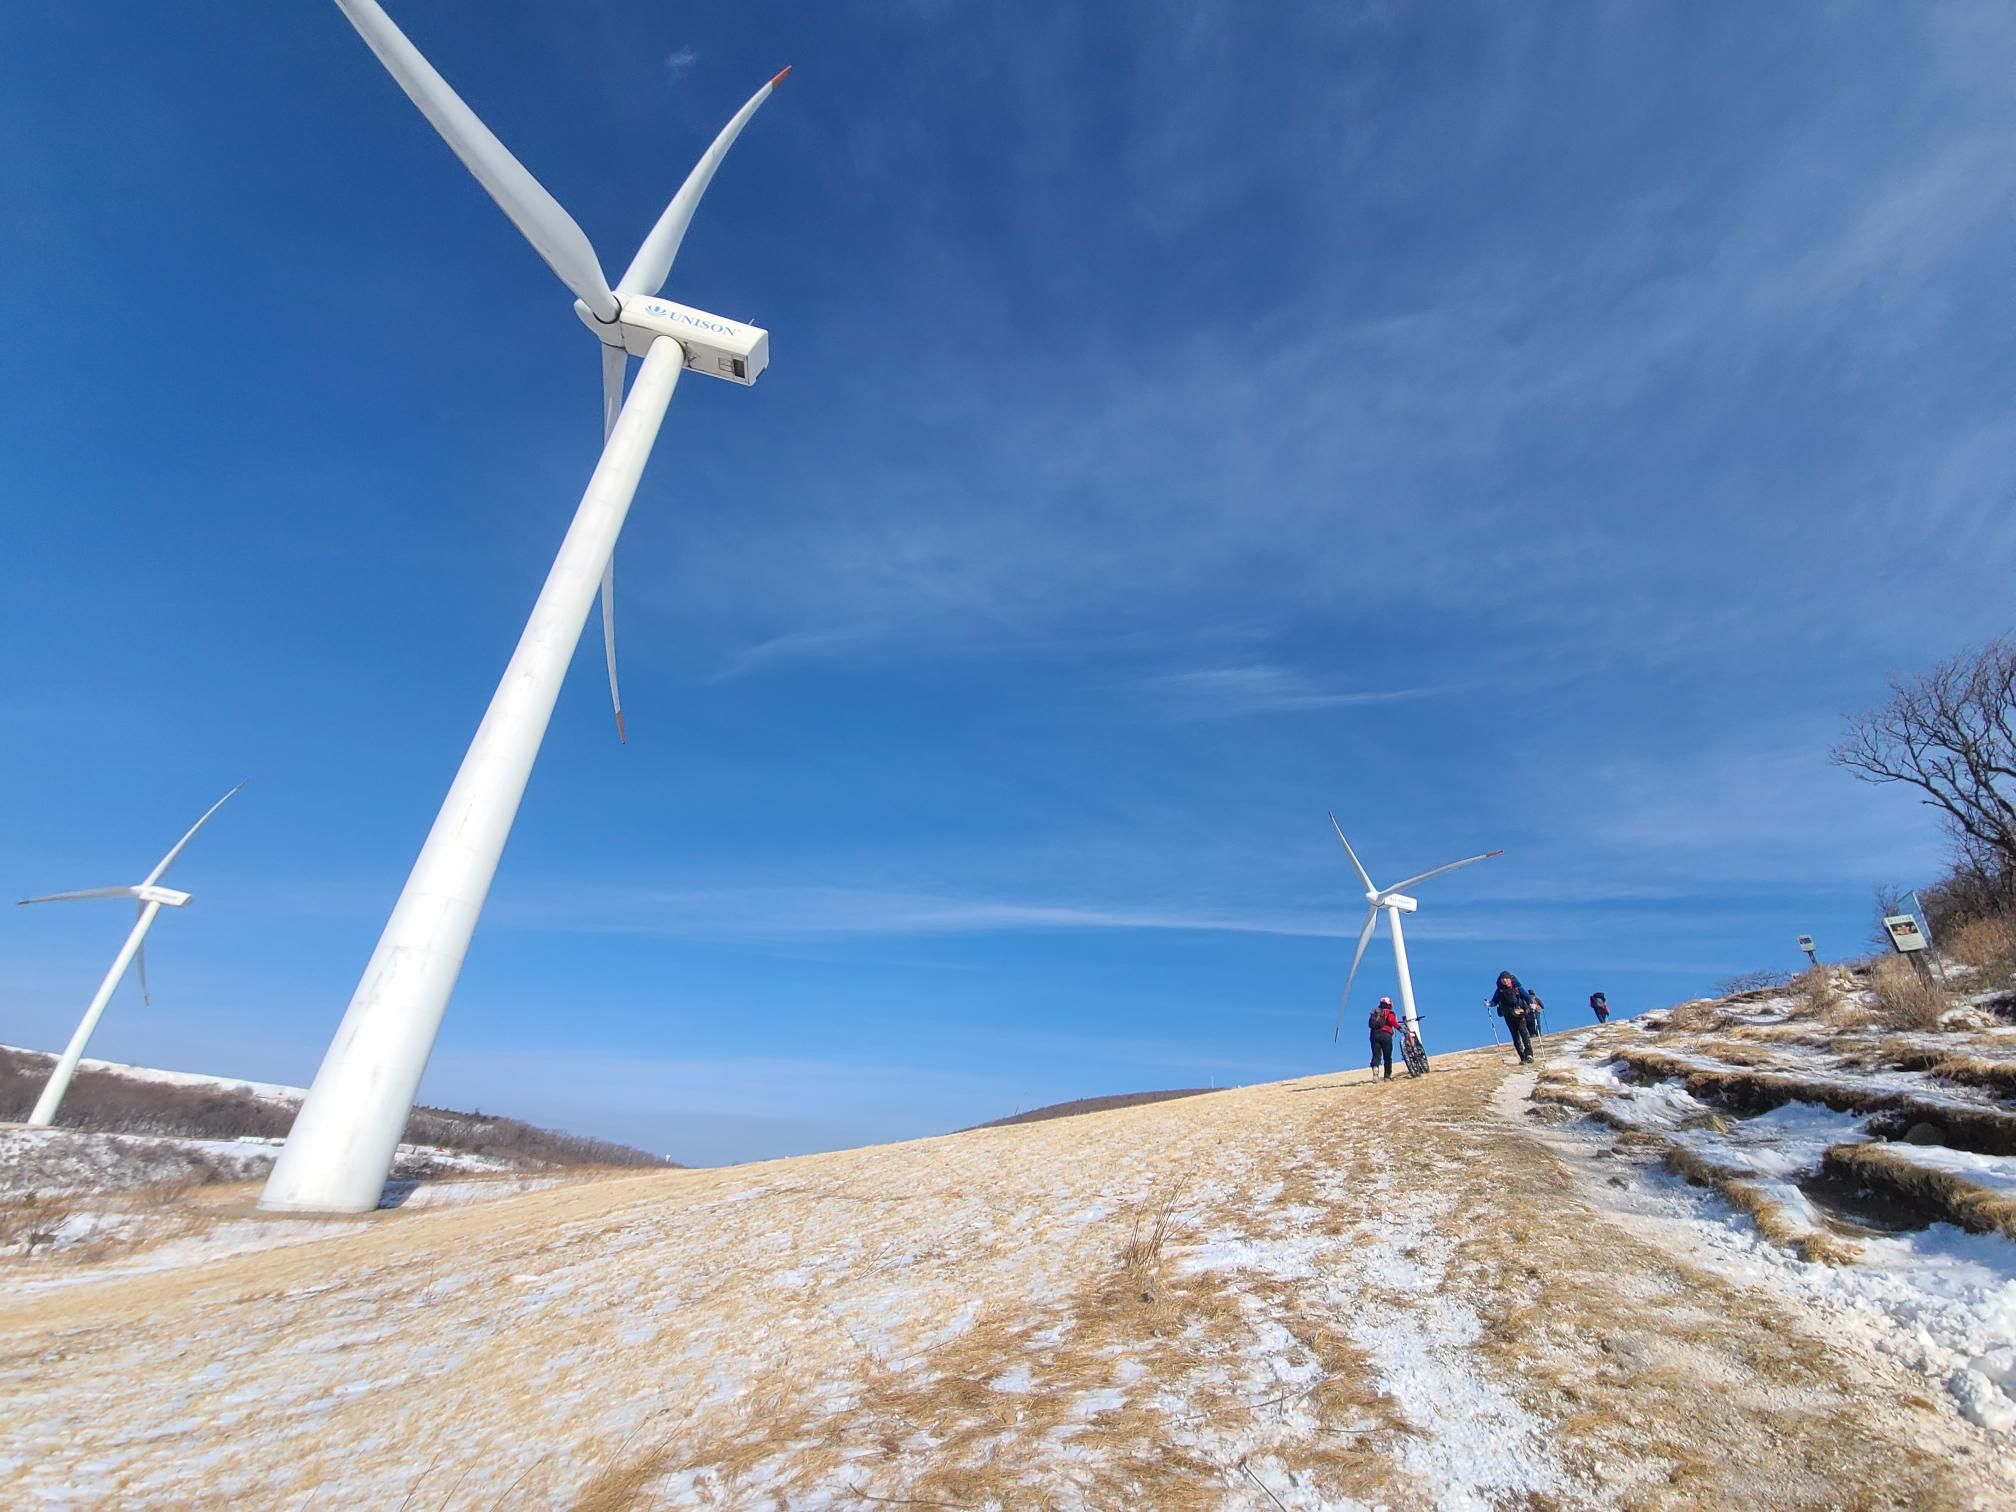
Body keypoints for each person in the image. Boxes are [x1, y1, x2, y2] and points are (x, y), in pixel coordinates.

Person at [1489, 971, 1534, 1063]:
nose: (1505, 981)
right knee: (1515, 1036)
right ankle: (1522, 1057)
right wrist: (1489, 1004)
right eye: (1503, 979)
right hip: (1508, 1015)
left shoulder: (1517, 987)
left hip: (1519, 1012)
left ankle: (1529, 1055)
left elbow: (1526, 996)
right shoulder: (1500, 990)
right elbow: (1495, 1001)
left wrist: (1531, 1004)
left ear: (1510, 979)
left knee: (1524, 1033)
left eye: (1506, 979)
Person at [1368, 997, 1399, 1080]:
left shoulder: (1375, 1012)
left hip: (1374, 1035)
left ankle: (1375, 1070)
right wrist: (1399, 1028)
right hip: (1386, 1035)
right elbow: (1392, 1021)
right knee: (1387, 1056)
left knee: (1376, 1055)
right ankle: (1387, 1076)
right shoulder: (1389, 1012)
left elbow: (1370, 1024)